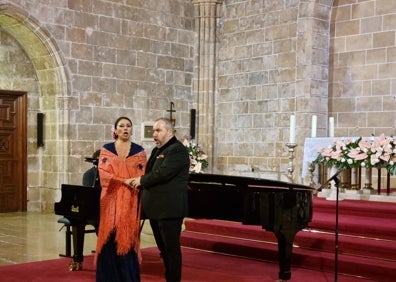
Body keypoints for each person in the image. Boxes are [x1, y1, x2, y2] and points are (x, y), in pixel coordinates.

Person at [132, 118, 190, 282]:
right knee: (163, 250)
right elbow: (149, 171)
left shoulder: (177, 150)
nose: (154, 134)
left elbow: (162, 174)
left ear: (169, 132)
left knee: (171, 250)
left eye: (158, 131)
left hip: (170, 209)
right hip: (157, 209)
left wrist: (140, 181)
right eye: (153, 131)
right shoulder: (158, 150)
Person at [95, 116, 147, 282]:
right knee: (109, 237)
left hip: (130, 199)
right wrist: (123, 180)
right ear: (115, 130)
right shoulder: (106, 150)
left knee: (127, 237)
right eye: (122, 126)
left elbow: (142, 175)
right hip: (110, 199)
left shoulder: (139, 151)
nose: (125, 129)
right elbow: (103, 174)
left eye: (128, 126)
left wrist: (133, 181)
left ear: (131, 129)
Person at [68, 149, 101, 271]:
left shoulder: (109, 173)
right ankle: (77, 259)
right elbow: (88, 196)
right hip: (92, 210)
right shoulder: (89, 174)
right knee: (96, 223)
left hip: (108, 209)